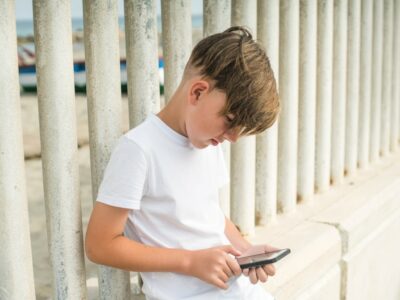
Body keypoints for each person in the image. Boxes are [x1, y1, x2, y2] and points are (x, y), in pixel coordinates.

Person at [85, 26, 280, 300]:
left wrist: (245, 250)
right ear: (198, 93)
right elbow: (100, 245)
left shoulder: (208, 141)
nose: (233, 138)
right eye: (231, 121)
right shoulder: (139, 150)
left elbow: (210, 213)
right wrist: (190, 262)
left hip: (239, 289)